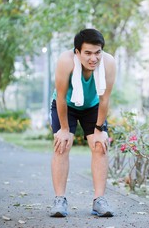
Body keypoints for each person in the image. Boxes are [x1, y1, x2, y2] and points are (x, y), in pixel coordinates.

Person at [49, 28, 116, 218]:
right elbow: (61, 98)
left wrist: (99, 130)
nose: (93, 58)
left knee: (99, 146)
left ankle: (99, 200)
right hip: (66, 105)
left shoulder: (109, 63)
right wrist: (63, 129)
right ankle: (59, 200)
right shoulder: (65, 61)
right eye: (87, 53)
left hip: (93, 105)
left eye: (97, 52)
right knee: (62, 145)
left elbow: (104, 99)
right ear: (77, 52)